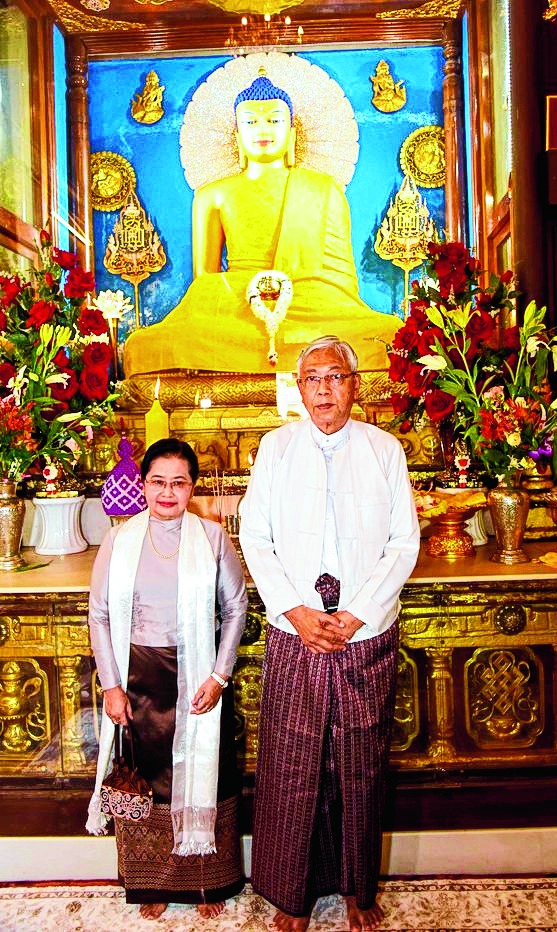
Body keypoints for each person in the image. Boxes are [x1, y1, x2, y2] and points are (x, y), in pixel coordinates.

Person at [239, 335, 420, 932]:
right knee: (293, 763)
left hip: (364, 632)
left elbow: (404, 543)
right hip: (296, 631)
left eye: (335, 376)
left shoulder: (384, 449)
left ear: (354, 384)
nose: (324, 389)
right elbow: (255, 538)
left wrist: (359, 612)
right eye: (312, 378)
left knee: (360, 765)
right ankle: (291, 896)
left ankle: (357, 891)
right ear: (299, 388)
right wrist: (295, 611)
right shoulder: (276, 448)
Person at [123, 73, 399, 378]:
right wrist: (246, 294)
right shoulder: (212, 195)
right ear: (237, 135)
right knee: (145, 344)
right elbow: (205, 282)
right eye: (251, 122)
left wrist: (302, 297)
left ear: (292, 133)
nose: (262, 129)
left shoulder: (323, 189)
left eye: (274, 120)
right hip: (240, 309)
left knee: (388, 334)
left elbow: (338, 283)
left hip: (312, 306)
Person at [86, 438, 247, 921]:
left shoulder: (212, 538)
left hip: (199, 678)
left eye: (178, 483)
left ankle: (207, 882)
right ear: (143, 485)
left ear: (192, 488)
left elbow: (235, 607)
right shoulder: (119, 540)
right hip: (139, 678)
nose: (167, 492)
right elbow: (99, 614)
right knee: (149, 781)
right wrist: (112, 686)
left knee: (207, 775)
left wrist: (219, 676)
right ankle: (151, 882)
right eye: (158, 481)